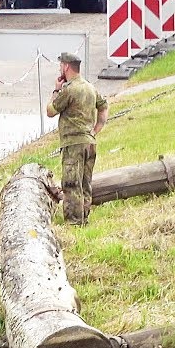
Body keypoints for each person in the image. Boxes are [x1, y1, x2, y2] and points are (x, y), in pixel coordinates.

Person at [46, 51, 108, 225]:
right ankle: (84, 217)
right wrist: (96, 129)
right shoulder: (90, 87)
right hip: (90, 142)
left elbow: (50, 111)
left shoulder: (69, 89)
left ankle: (74, 222)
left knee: (72, 183)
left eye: (60, 65)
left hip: (73, 144)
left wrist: (56, 90)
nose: (60, 68)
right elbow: (103, 107)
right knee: (85, 183)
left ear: (66, 66)